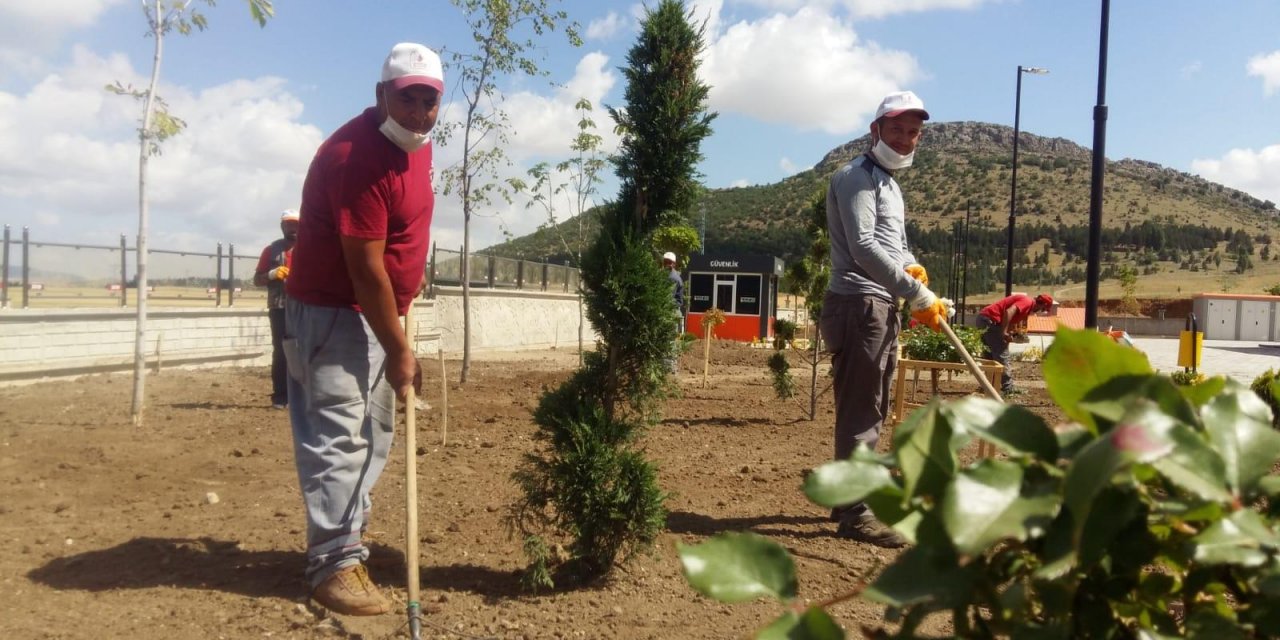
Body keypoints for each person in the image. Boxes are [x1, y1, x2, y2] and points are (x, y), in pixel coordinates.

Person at [283, 42, 441, 616]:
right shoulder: (357, 156)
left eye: (429, 100)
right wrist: (400, 347)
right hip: (333, 313)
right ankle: (332, 566)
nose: (420, 112)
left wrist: (404, 303)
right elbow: (364, 267)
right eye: (408, 100)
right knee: (337, 436)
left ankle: (346, 542)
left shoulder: (415, 147)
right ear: (381, 96)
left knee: (373, 432)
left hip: (375, 314)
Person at [819, 90, 947, 548]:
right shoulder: (855, 178)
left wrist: (912, 267)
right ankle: (856, 512)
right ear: (875, 130)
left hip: (878, 305)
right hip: (858, 304)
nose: (907, 139)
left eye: (914, 132)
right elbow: (864, 247)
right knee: (862, 410)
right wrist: (915, 292)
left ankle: (847, 497)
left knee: (870, 405)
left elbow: (892, 246)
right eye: (897, 129)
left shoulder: (890, 185)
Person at [253, 209, 300, 409]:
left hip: (304, 307)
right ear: (282, 226)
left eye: (296, 224)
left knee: (303, 351)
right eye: (289, 224)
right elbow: (257, 280)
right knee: (281, 352)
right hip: (279, 307)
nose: (293, 228)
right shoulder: (271, 251)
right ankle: (281, 397)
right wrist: (272, 274)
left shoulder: (311, 248)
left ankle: (301, 396)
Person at [977, 293, 1055, 394]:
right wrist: (1004, 332)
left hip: (984, 319)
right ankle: (1008, 388)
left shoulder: (1026, 305)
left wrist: (1008, 335)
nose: (1042, 311)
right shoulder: (1027, 302)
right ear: (1042, 304)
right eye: (1043, 309)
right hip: (991, 321)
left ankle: (987, 386)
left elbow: (1010, 319)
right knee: (1002, 355)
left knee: (990, 355)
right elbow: (1009, 312)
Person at [663, 251, 684, 372]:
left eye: (669, 262)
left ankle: (670, 368)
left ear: (674, 264)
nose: (667, 264)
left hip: (670, 314)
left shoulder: (673, 278)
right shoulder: (665, 276)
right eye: (665, 262)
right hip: (667, 312)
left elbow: (676, 301)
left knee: (669, 341)